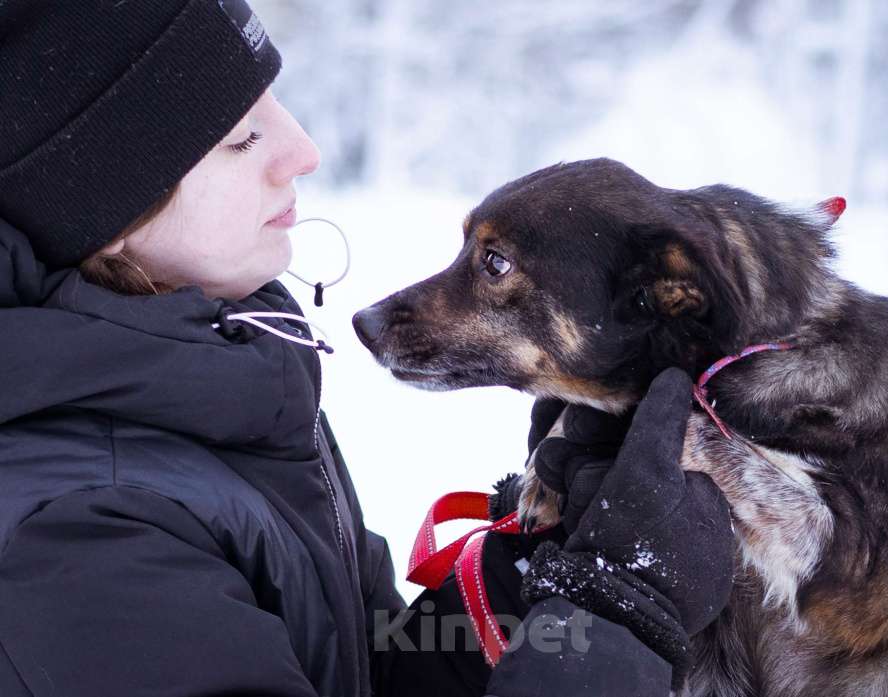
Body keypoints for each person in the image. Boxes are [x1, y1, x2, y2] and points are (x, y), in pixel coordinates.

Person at [0, 2, 735, 696]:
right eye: (240, 138)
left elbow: (364, 666)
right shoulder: (85, 539)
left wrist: (534, 572)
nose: (303, 150)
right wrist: (610, 613)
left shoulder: (215, 370)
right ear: (107, 208)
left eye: (272, 105)